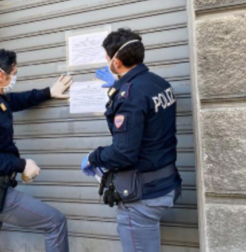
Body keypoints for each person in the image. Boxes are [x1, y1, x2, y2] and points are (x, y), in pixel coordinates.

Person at [80, 28, 182, 252]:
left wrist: (93, 157)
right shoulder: (159, 83)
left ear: (116, 63)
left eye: (107, 59)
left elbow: (123, 153)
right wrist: (118, 86)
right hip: (166, 184)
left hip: (144, 197)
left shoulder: (131, 95)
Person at [0, 49, 72, 252]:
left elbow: (17, 100)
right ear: (1, 75)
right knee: (55, 222)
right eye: (14, 72)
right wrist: (22, 165)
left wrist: (48, 92)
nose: (16, 75)